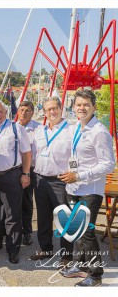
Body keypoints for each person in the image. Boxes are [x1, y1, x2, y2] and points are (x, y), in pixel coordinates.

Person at [60, 89, 115, 287]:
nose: (82, 108)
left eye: (86, 105)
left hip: (90, 191)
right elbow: (76, 157)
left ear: (94, 107)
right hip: (75, 187)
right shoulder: (77, 127)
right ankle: (82, 265)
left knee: (86, 233)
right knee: (77, 231)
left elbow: (108, 164)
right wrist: (72, 176)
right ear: (74, 107)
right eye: (78, 104)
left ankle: (96, 275)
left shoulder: (99, 132)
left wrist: (79, 175)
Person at [0, 100, 31, 264]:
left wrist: (25, 173)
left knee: (13, 216)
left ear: (5, 113)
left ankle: (13, 249)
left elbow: (26, 153)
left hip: (11, 176)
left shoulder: (16, 128)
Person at [30, 96, 73, 266]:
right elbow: (33, 154)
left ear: (61, 108)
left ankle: (67, 255)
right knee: (43, 217)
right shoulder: (40, 131)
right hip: (40, 180)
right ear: (44, 112)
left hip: (60, 181)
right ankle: (46, 248)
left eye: (55, 108)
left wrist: (73, 172)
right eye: (48, 109)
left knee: (64, 219)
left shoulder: (71, 129)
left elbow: (76, 154)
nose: (52, 112)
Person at [17, 101, 41, 246]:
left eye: (27, 110)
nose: (24, 113)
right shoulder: (11, 127)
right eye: (21, 110)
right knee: (12, 202)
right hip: (14, 169)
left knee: (26, 202)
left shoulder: (39, 129)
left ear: (32, 113)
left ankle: (27, 232)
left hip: (30, 170)